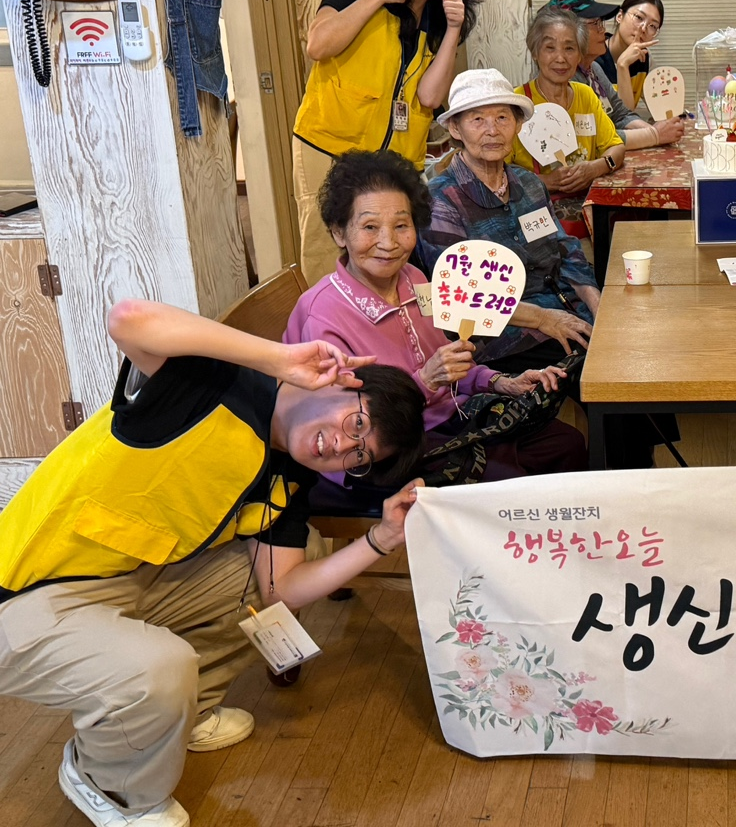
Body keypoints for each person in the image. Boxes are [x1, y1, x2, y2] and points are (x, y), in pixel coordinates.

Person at [0, 301, 425, 827]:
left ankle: (180, 714)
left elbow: (282, 589)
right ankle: (107, 783)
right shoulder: (213, 384)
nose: (340, 445)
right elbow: (128, 319)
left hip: (126, 578)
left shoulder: (289, 473)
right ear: (340, 382)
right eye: (355, 423)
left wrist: (380, 539)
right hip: (27, 591)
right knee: (157, 671)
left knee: (291, 559)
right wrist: (278, 358)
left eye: (358, 456)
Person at [285, 145, 587, 483]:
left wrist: (501, 382)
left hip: (453, 416)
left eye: (401, 225)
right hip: (395, 450)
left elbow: (449, 366)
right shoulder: (323, 316)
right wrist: (426, 381)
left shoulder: (413, 279)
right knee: (510, 480)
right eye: (370, 227)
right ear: (339, 232)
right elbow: (347, 436)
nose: (388, 242)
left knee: (567, 445)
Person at [291, 0, 478, 283]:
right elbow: (318, 44)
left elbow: (430, 97)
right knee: (327, 251)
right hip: (330, 146)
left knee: (389, 254)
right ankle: (328, 322)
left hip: (395, 162)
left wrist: (454, 28)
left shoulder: (439, 15)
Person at [427, 69, 601, 369]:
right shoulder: (441, 200)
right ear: (455, 128)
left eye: (502, 118)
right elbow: (460, 292)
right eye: (477, 119)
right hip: (504, 333)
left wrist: (597, 305)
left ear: (518, 125)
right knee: (594, 364)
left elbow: (565, 249)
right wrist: (544, 318)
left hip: (563, 307)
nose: (492, 130)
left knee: (624, 339)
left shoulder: (529, 183)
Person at [511, 6, 626, 236]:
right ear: (535, 52)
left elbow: (617, 147)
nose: (560, 58)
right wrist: (547, 181)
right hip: (535, 217)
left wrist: (595, 168)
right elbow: (497, 173)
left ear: (580, 55)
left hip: (587, 208)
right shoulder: (516, 104)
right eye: (550, 48)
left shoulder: (586, 95)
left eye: (569, 48)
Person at [547, 0, 684, 148]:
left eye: (653, 26)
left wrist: (659, 131)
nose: (603, 30)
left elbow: (621, 114)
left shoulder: (593, 69)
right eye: (595, 24)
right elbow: (591, 137)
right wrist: (654, 135)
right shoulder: (564, 77)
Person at [596, 0, 662, 111]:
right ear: (619, 16)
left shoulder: (645, 59)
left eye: (652, 26)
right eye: (639, 17)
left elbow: (661, 109)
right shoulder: (593, 56)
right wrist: (622, 65)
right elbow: (621, 117)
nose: (643, 28)